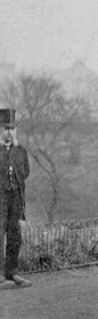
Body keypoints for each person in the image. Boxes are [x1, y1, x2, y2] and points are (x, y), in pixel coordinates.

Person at [0, 108, 32, 288]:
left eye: (12, 129)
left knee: (15, 235)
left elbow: (25, 172)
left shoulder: (20, 151)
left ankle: (12, 272)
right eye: (5, 128)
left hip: (16, 197)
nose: (9, 132)